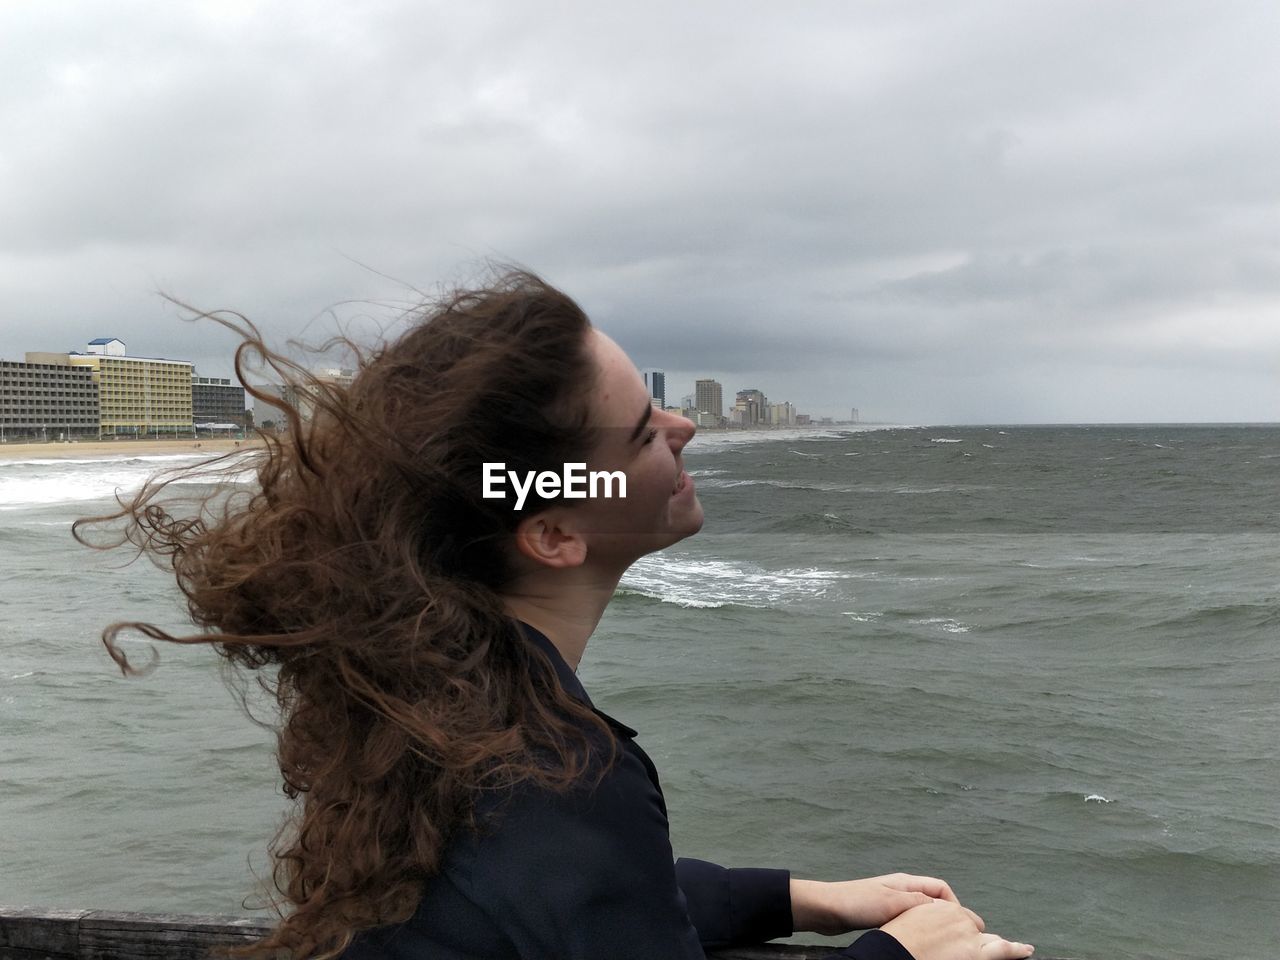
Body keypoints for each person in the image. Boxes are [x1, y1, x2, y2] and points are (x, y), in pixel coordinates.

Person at [77, 270, 1034, 960]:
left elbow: (579, 902)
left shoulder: (439, 714)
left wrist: (795, 898)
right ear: (553, 532)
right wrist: (909, 957)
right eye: (642, 428)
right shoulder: (562, 775)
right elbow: (573, 872)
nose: (685, 427)